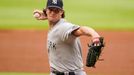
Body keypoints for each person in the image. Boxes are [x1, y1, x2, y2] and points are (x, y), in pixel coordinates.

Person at [33, 0, 101, 75]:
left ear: (61, 12)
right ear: (46, 10)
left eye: (56, 11)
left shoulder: (63, 28)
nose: (53, 12)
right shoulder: (55, 25)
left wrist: (94, 35)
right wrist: (48, 17)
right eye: (50, 9)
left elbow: (81, 30)